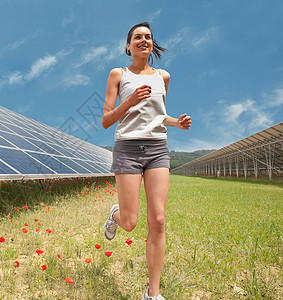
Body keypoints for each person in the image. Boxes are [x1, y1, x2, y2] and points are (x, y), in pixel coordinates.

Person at [101, 22, 191, 300]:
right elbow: (106, 121)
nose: (144, 40)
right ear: (128, 46)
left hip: (157, 149)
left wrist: (177, 122)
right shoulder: (119, 74)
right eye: (137, 37)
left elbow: (157, 115)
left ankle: (153, 293)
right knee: (130, 222)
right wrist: (129, 102)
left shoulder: (163, 76)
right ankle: (115, 215)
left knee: (159, 220)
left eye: (148, 37)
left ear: (152, 44)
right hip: (127, 149)